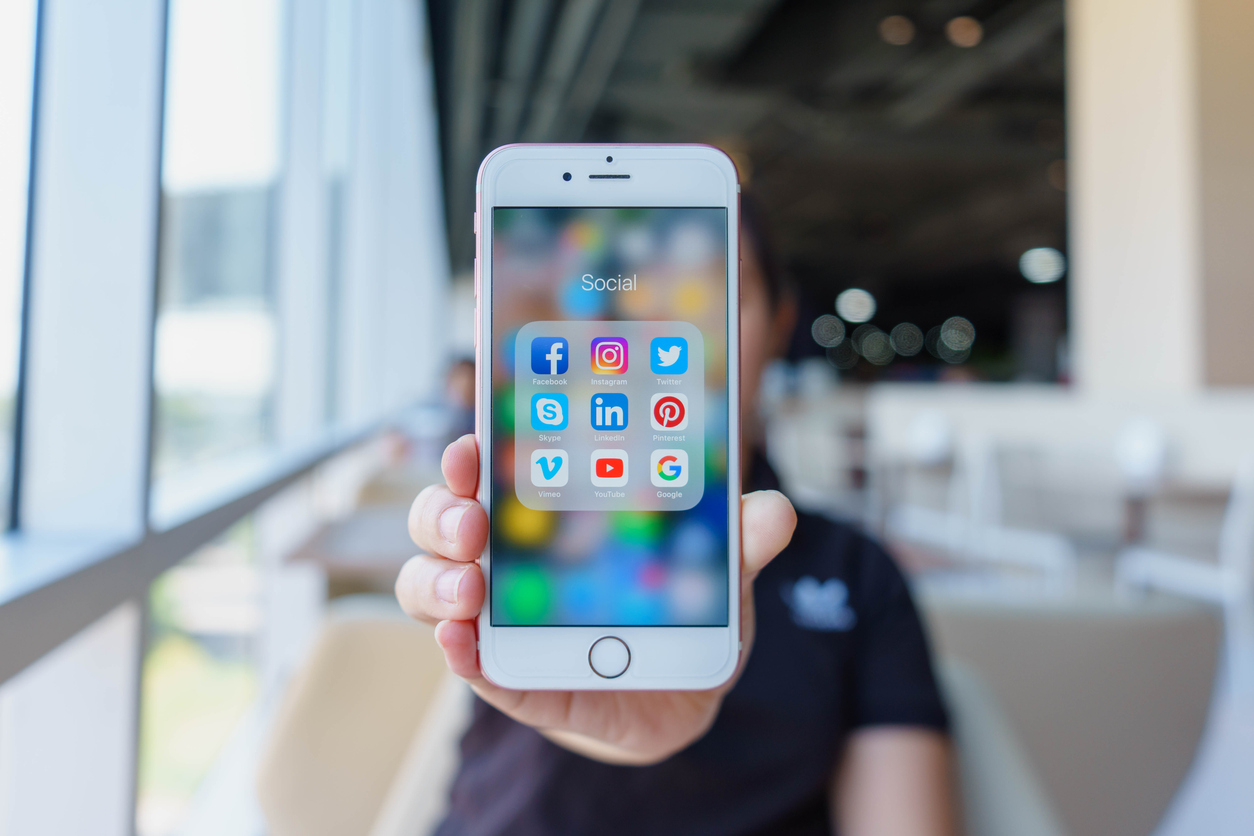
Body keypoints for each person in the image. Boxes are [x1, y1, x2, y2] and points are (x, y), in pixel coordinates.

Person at [396, 198, 956, 835]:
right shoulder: (528, 531)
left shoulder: (858, 575)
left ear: (779, 322)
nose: (663, 336)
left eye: (711, 295)